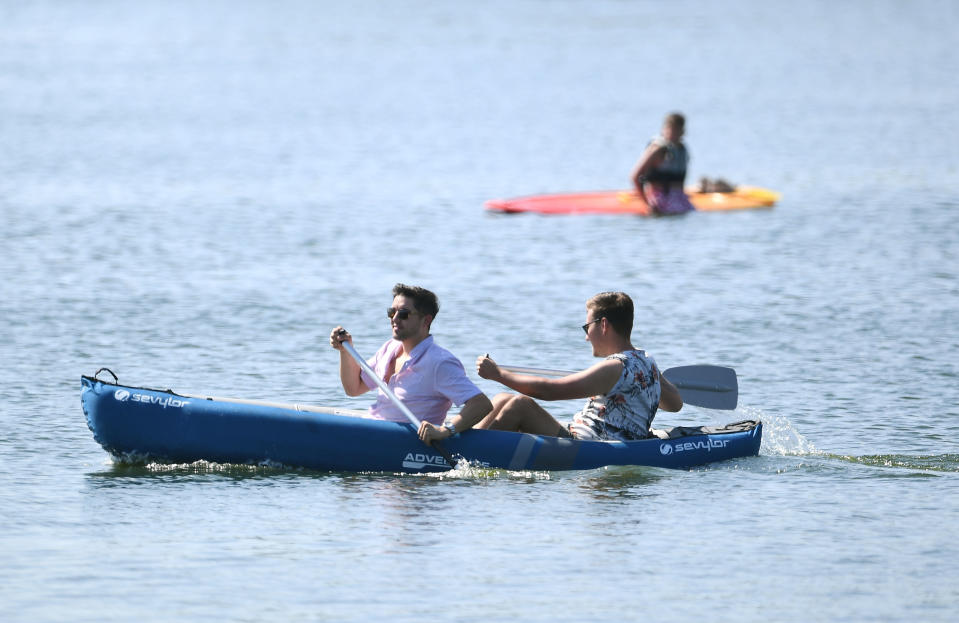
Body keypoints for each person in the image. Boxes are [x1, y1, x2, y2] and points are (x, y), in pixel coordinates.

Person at [474, 292, 683, 440]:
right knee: (502, 398)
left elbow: (550, 391)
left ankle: (467, 455)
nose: (586, 337)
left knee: (520, 405)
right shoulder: (647, 361)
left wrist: (498, 374)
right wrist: (649, 386)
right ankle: (465, 443)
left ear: (603, 325)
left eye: (587, 327)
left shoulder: (614, 367)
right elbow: (675, 404)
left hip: (591, 446)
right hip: (586, 436)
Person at [330, 283, 493, 445]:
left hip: (406, 443)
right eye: (391, 312)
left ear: (426, 320)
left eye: (403, 314)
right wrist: (345, 352)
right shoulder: (389, 348)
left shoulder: (440, 362)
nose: (394, 319)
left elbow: (481, 404)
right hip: (375, 432)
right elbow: (354, 388)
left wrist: (445, 431)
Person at [630, 112, 695, 215]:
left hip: (679, 197)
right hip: (659, 197)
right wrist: (647, 203)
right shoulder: (657, 149)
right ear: (663, 129)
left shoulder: (682, 149)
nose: (672, 133)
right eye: (670, 129)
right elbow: (634, 176)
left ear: (682, 131)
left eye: (676, 130)